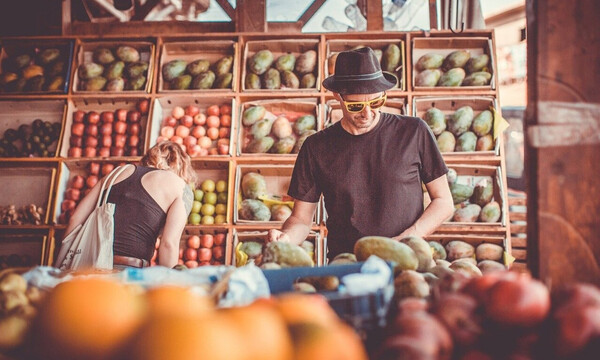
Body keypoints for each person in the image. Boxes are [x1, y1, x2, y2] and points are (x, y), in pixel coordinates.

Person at [268, 47, 454, 260]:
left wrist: (407, 239)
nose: (367, 113)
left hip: (407, 260)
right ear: (338, 96)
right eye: (356, 105)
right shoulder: (316, 147)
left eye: (376, 102)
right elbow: (301, 219)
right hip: (347, 264)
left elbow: (443, 201)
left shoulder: (414, 132)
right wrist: (286, 239)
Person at [63, 141, 196, 268]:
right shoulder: (180, 187)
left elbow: (75, 220)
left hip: (88, 264)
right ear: (182, 167)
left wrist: (64, 262)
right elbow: (168, 244)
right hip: (128, 271)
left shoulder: (116, 173)